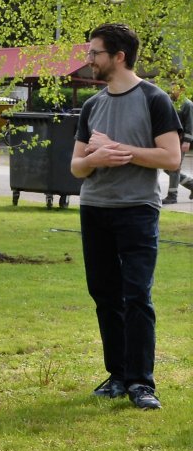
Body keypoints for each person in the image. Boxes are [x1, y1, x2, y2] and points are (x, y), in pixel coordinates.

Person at [70, 22, 182, 411]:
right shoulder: (92, 105)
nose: (89, 60)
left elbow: (171, 158)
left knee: (137, 295)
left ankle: (141, 382)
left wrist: (120, 150)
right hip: (95, 208)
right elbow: (76, 167)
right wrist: (95, 158)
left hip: (137, 209)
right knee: (104, 294)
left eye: (94, 53)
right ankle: (117, 375)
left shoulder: (154, 99)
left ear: (118, 57)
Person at [166, 90, 192, 204]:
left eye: (174, 87)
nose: (172, 90)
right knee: (168, 168)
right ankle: (191, 184)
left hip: (181, 141)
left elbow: (190, 124)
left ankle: (172, 196)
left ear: (181, 89)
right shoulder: (170, 101)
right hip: (171, 141)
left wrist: (187, 141)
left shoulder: (187, 104)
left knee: (174, 168)